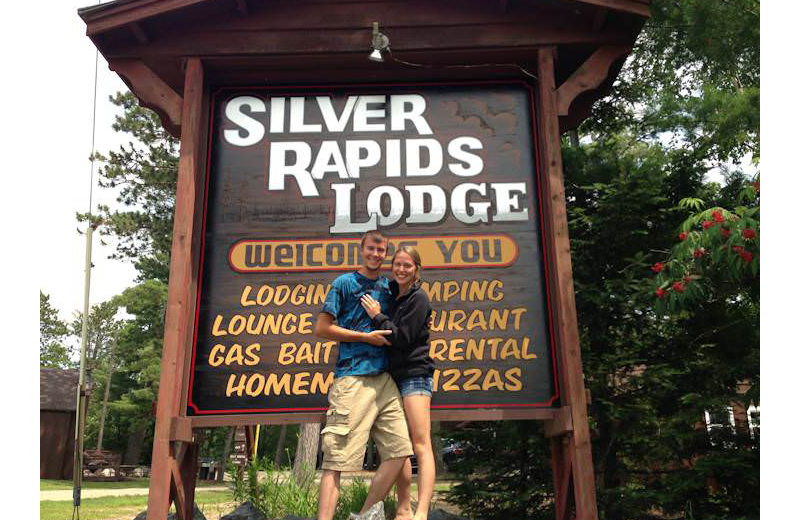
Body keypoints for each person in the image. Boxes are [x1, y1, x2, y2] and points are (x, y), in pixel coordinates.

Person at [315, 230, 414, 520]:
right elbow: (322, 328)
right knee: (336, 461)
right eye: (371, 248)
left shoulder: (389, 287)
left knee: (399, 451)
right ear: (362, 249)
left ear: (386, 254)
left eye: (381, 250)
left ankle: (363, 515)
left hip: (385, 379)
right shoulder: (344, 283)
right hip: (352, 379)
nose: (376, 254)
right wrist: (364, 337)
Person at [360, 245, 435, 520]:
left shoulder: (419, 299)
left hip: (415, 376)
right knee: (399, 445)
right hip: (392, 377)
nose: (402, 269)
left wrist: (377, 316)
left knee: (420, 443)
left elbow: (402, 338)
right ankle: (403, 510)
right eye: (398, 264)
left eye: (408, 265)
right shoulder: (394, 295)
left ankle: (422, 512)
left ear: (417, 269)